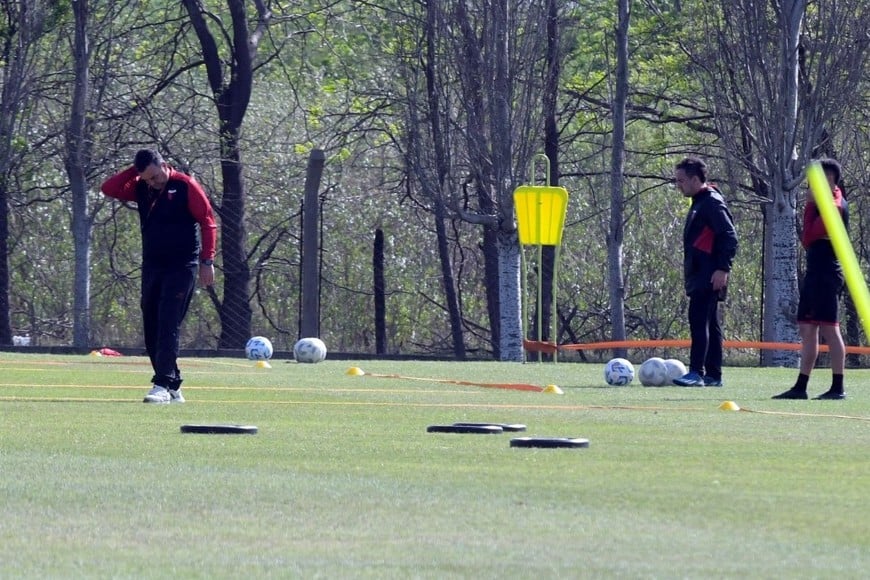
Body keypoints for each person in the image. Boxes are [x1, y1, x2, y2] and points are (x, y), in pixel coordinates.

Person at [101, 149, 217, 403]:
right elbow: (109, 188)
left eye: (155, 176)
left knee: (168, 323)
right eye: (148, 179)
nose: (154, 182)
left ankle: (162, 384)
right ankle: (172, 384)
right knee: (151, 325)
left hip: (182, 266)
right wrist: (136, 171)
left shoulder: (185, 185)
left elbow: (208, 222)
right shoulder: (142, 187)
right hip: (153, 266)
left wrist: (207, 260)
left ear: (164, 165)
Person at [773, 159, 848, 400]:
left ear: (830, 180)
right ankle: (801, 387)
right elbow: (807, 238)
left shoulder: (835, 201)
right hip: (815, 271)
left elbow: (814, 232)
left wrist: (814, 205)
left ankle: (838, 387)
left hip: (828, 271)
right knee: (807, 327)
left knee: (829, 328)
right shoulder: (817, 203)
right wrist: (810, 206)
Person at [672, 157, 738, 387]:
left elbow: (729, 236)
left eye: (681, 180)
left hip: (709, 274)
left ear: (694, 179)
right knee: (710, 323)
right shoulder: (700, 202)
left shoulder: (711, 202)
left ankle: (696, 373)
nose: (678, 185)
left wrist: (722, 268)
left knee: (699, 322)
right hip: (700, 274)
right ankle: (713, 375)